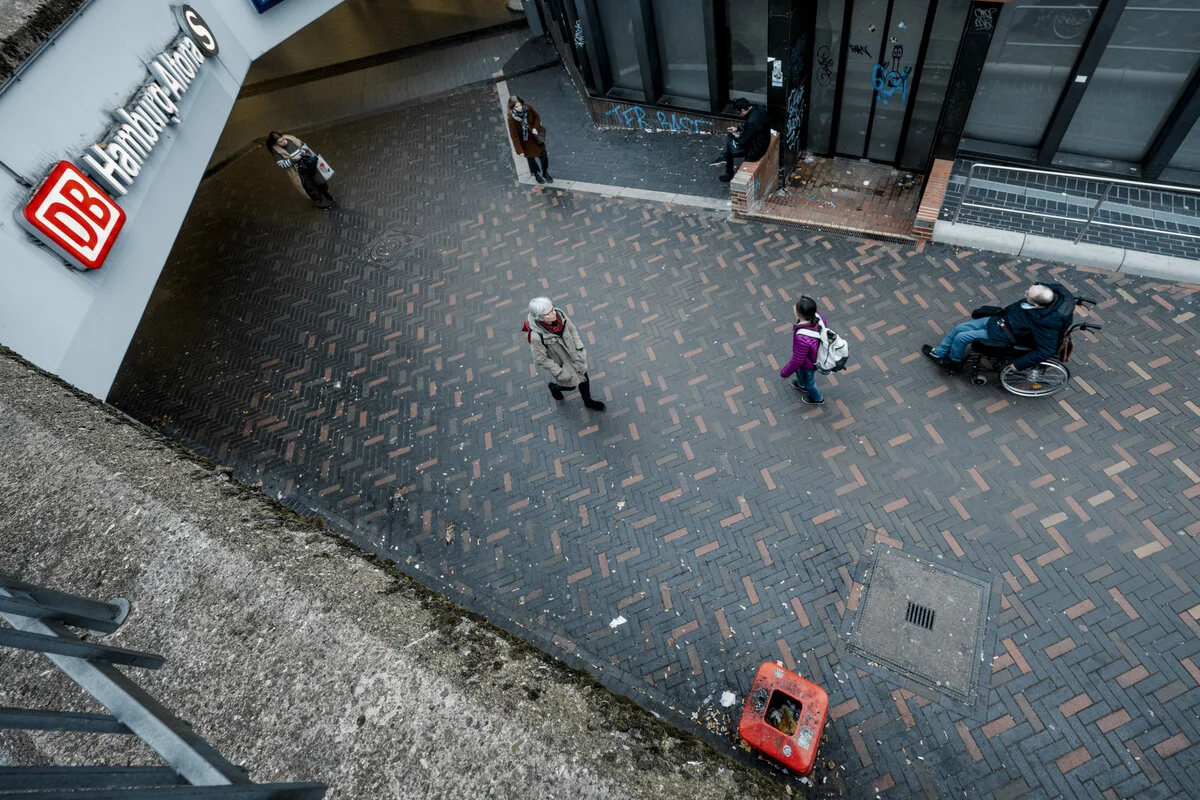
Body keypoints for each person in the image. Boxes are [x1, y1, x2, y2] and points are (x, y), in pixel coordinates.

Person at [922, 283, 1072, 372]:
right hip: (998, 321)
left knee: (961, 337)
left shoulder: (1046, 323)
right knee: (960, 328)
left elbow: (1046, 350)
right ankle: (940, 353)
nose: (1025, 293)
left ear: (1037, 304)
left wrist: (1017, 365)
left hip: (1003, 334)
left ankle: (953, 363)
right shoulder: (1045, 297)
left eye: (1028, 294)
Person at [523, 297, 605, 410]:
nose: (554, 312)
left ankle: (588, 401)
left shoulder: (559, 314)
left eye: (553, 308)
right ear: (540, 318)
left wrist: (579, 348)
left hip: (576, 358)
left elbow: (572, 329)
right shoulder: (536, 337)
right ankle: (554, 387)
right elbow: (540, 359)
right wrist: (559, 372)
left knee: (584, 379)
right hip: (564, 366)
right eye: (550, 312)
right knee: (571, 387)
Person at [266, 131, 335, 209]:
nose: (284, 142)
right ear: (276, 143)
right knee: (311, 189)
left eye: (283, 139)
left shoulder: (290, 138)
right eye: (280, 142)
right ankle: (323, 204)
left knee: (321, 182)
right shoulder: (276, 150)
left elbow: (304, 145)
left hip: (310, 165)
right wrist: (293, 160)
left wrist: (302, 152)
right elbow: (282, 164)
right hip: (300, 173)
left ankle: (326, 195)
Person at [779, 296, 825, 405]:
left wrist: (785, 372)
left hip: (808, 364)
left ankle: (817, 398)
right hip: (813, 356)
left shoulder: (802, 338)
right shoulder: (819, 317)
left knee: (809, 382)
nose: (794, 307)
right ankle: (801, 384)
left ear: (799, 314)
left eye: (796, 307)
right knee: (800, 373)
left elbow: (797, 361)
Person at [711, 97, 770, 183]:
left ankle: (728, 174)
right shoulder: (759, 109)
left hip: (756, 151)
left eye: (739, 113)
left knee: (730, 148)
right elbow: (753, 128)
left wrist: (737, 135)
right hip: (763, 140)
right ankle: (723, 156)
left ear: (742, 110)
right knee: (731, 138)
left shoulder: (751, 121)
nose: (740, 115)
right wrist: (737, 128)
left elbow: (743, 141)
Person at [507, 96, 553, 184]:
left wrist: (536, 128)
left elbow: (537, 117)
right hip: (526, 142)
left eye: (520, 105)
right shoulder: (511, 118)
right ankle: (536, 174)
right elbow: (514, 135)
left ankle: (544, 173)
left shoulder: (528, 107)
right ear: (512, 107)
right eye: (517, 107)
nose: (520, 108)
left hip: (536, 138)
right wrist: (519, 150)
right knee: (531, 160)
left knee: (544, 157)